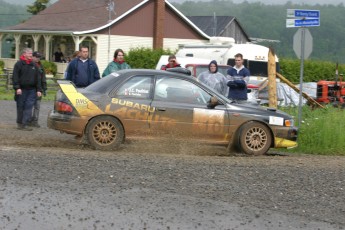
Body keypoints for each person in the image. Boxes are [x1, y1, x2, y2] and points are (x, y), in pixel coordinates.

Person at [12, 48, 42, 131]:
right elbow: (15, 77)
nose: (31, 55)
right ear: (24, 54)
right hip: (21, 89)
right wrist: (17, 87)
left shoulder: (34, 65)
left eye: (31, 53)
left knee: (29, 107)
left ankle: (24, 124)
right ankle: (20, 123)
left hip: (32, 90)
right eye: (29, 53)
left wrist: (39, 90)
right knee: (20, 106)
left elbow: (38, 78)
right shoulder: (18, 64)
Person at [29, 51, 47, 128]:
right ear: (33, 56)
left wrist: (44, 88)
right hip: (31, 88)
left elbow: (43, 78)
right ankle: (28, 120)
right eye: (36, 57)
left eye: (39, 57)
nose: (38, 59)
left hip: (39, 89)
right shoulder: (29, 65)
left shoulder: (41, 66)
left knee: (37, 106)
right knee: (29, 105)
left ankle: (35, 120)